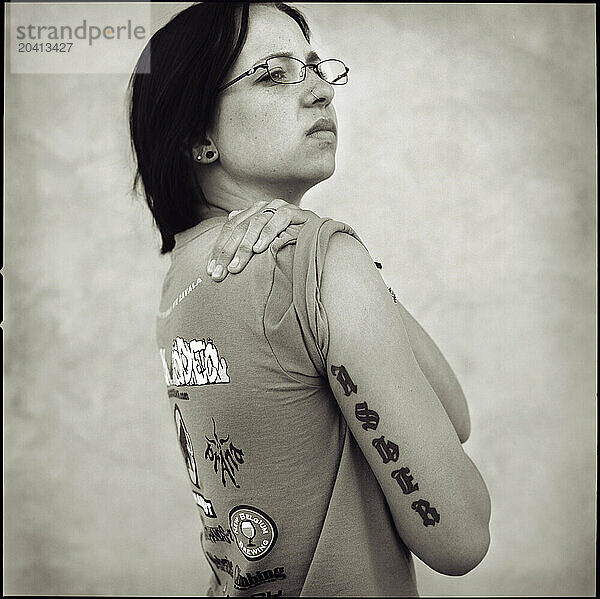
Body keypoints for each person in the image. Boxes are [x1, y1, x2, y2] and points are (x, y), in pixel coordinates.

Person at [128, 2, 491, 596]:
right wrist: (328, 256)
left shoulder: (186, 275)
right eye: (274, 74)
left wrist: (354, 276)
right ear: (197, 134)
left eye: (317, 68)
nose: (320, 91)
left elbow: (453, 417)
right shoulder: (309, 259)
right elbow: (461, 538)